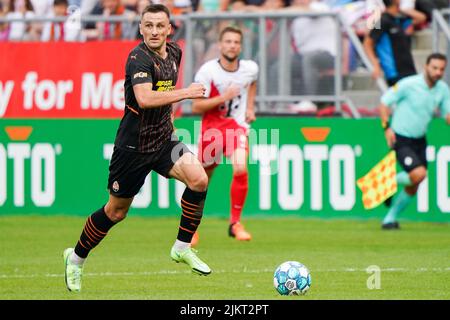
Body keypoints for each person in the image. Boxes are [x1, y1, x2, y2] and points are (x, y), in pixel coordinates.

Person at [63, 3, 212, 293]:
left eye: (160, 26)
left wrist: (170, 120)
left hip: (163, 139)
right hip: (133, 147)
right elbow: (144, 99)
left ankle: (182, 247)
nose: (154, 31)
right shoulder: (137, 59)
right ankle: (76, 258)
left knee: (199, 179)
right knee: (116, 212)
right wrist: (187, 93)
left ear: (169, 29)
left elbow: (164, 96)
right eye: (149, 26)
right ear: (141, 28)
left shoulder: (176, 52)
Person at [191, 26, 258, 244]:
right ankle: (191, 226)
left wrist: (250, 107)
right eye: (228, 41)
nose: (232, 45)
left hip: (236, 126)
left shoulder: (249, 68)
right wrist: (224, 97)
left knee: (240, 167)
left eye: (236, 42)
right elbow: (196, 106)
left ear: (241, 46)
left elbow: (252, 83)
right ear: (220, 45)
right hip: (211, 129)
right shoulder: (207, 72)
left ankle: (235, 223)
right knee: (201, 181)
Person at [379, 53, 450, 230]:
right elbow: (384, 102)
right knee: (418, 174)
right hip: (401, 137)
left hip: (420, 139)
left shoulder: (442, 89)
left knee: (415, 183)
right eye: (435, 68)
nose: (438, 72)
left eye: (442, 69)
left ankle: (389, 219)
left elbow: (447, 115)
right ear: (426, 67)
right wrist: (386, 127)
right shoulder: (409, 84)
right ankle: (388, 183)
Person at [363, 0, 417, 87]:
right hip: (394, 72)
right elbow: (367, 43)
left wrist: (403, 10)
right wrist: (375, 65)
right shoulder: (381, 20)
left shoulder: (399, 19)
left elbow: (421, 18)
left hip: (409, 69)